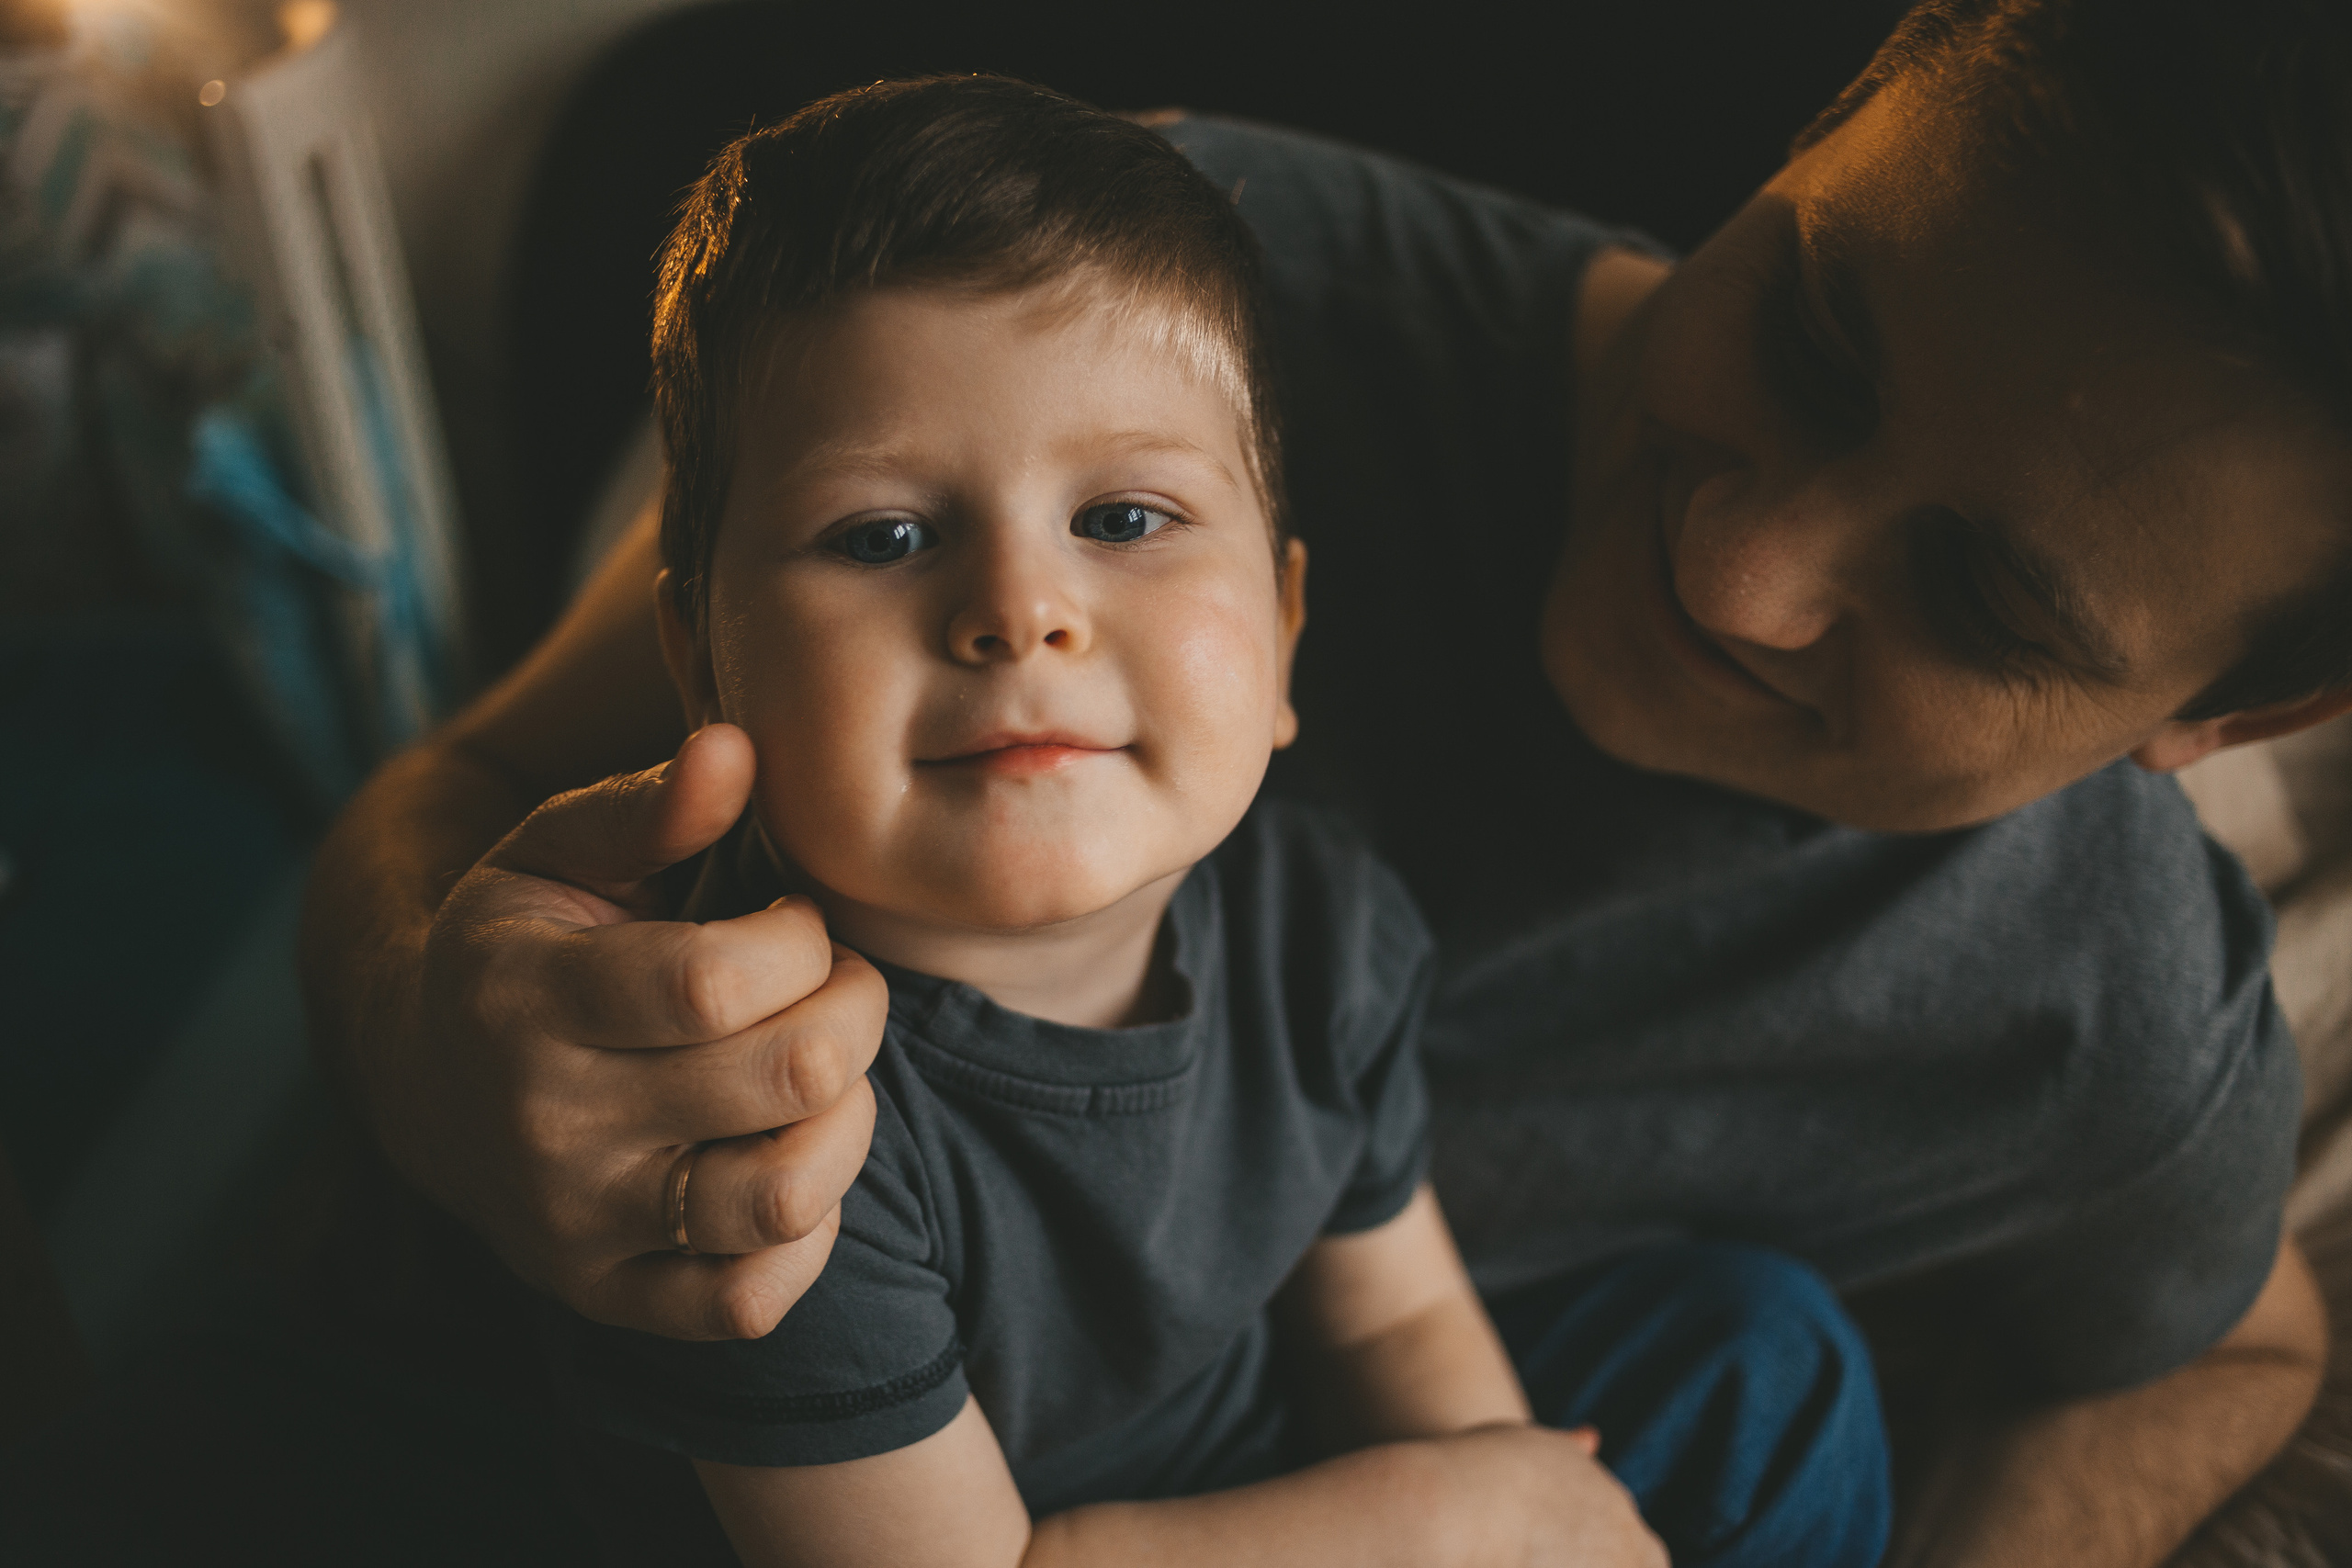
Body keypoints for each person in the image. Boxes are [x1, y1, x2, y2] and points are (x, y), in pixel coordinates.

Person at [299, 1, 2343, 1562]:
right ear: (1832, 116)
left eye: (1984, 599)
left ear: (2226, 718)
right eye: (1812, 332)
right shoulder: (1117, 302)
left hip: (1272, 1449)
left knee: (1757, 1359)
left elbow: (2247, 1344)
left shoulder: (2107, 1000)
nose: (1739, 567)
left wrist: (1505, 1504)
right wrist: (428, 1033)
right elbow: (467, 784)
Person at [542, 74, 1888, 1568]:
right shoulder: (765, 1111)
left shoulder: (1318, 922)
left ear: (1287, 631)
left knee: (1761, 1369)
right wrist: (1441, 1525)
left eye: (1123, 519)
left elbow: (1392, 1322)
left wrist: (1515, 1510)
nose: (1020, 610)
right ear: (699, 660)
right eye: (886, 535)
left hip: (1266, 1489)